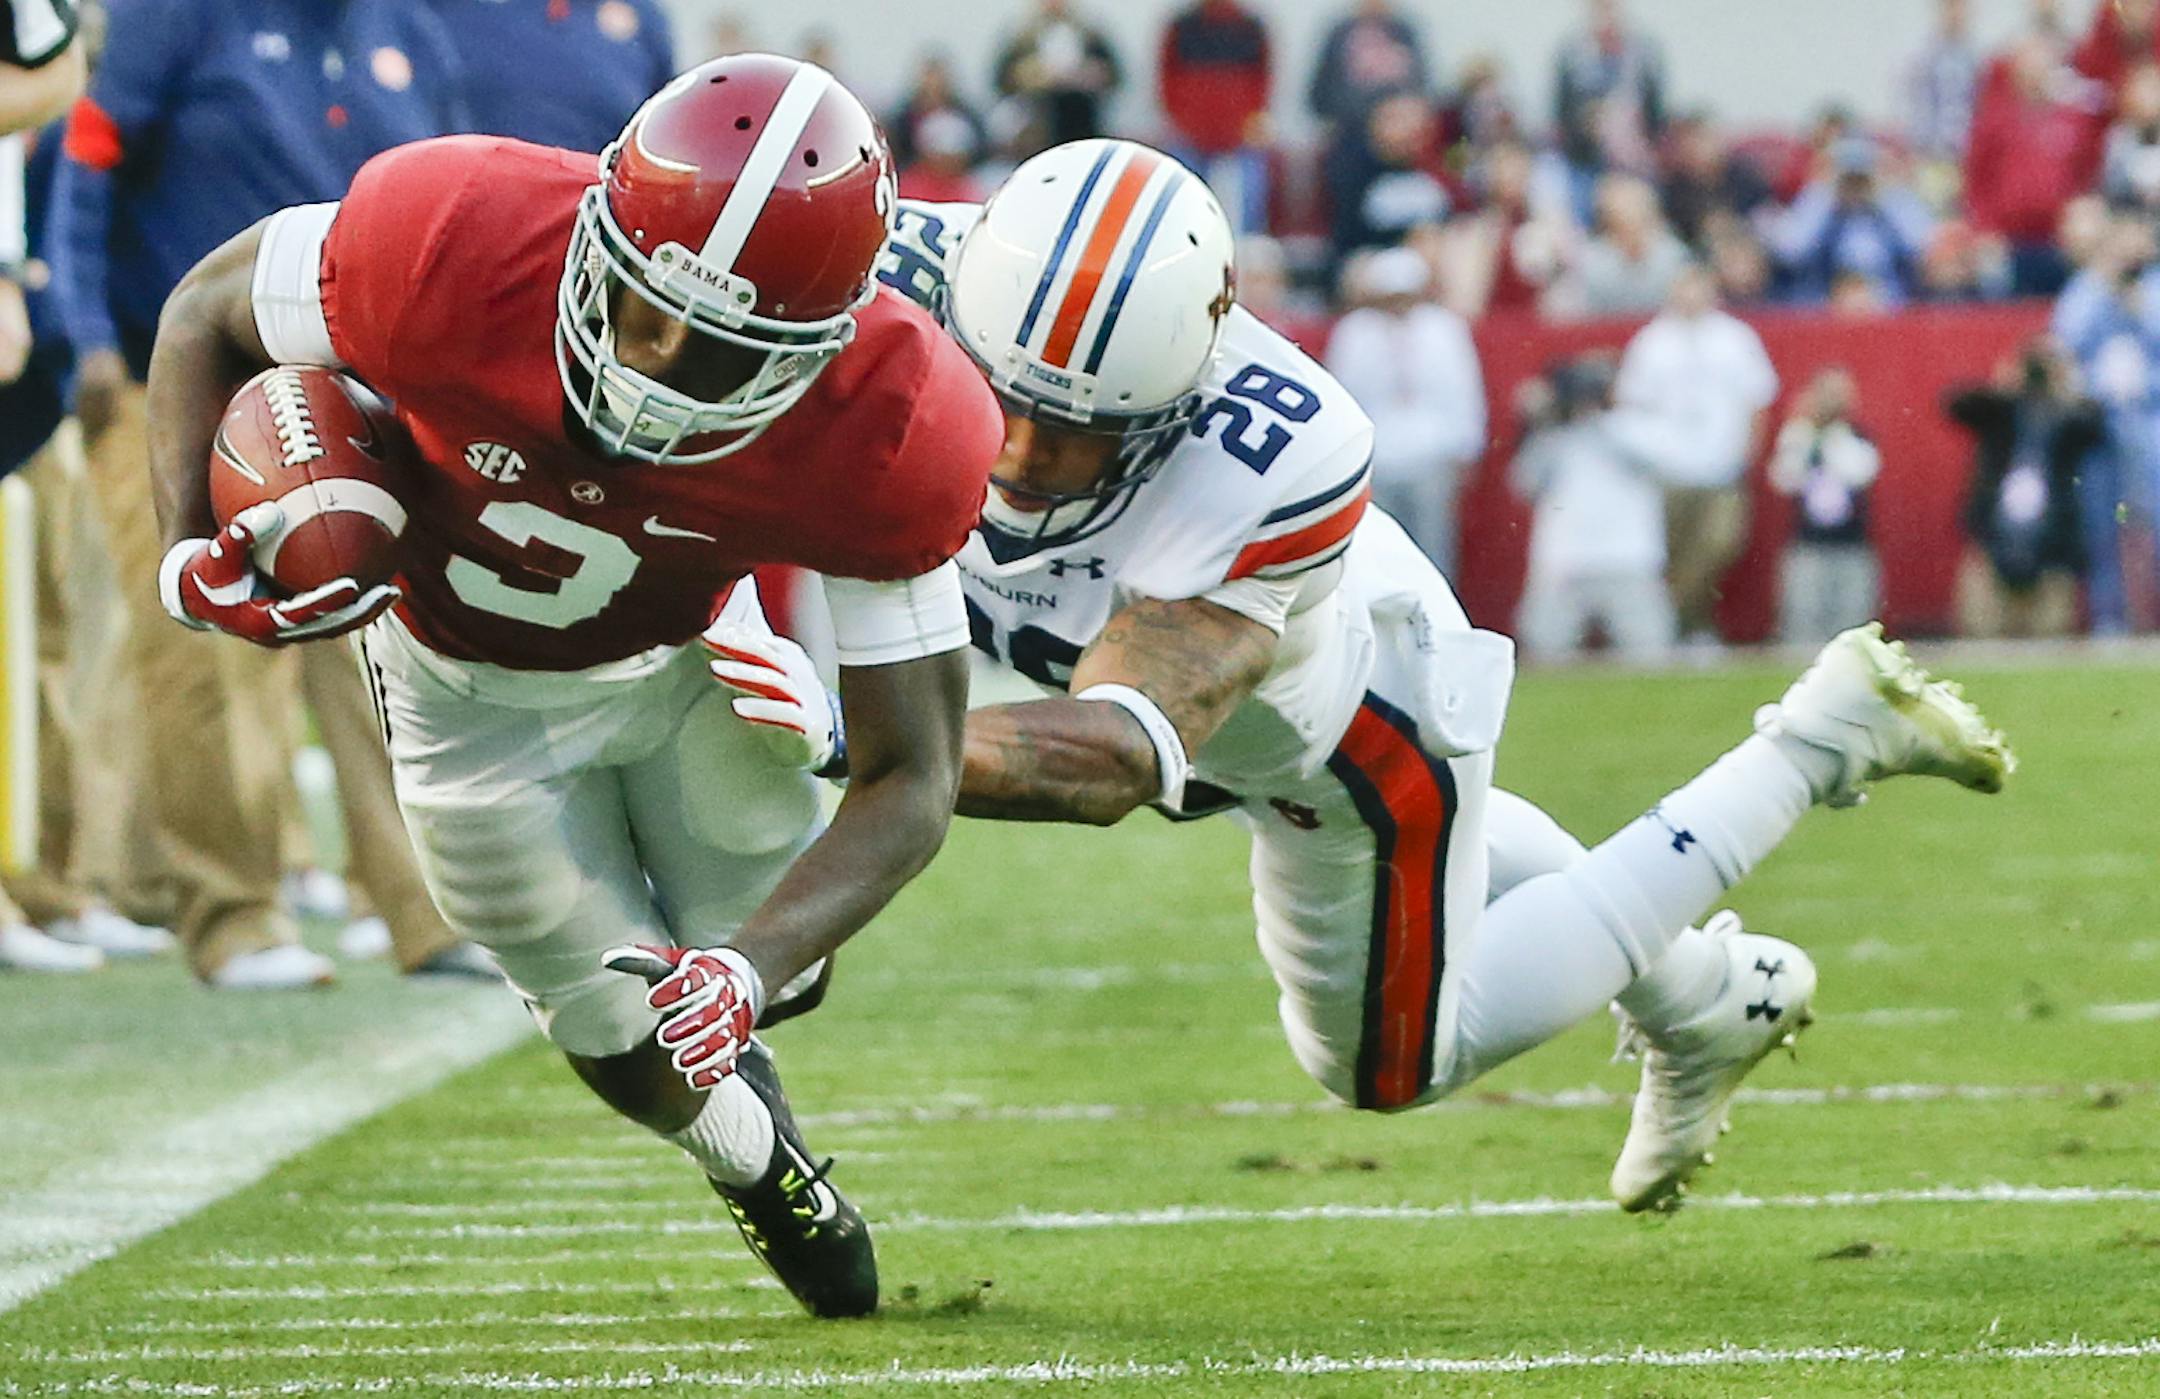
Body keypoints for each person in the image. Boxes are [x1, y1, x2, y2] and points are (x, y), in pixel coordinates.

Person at [710, 138, 2015, 1219]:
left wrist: (845, 732)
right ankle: (1697, 1000)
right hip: (1154, 667)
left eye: (1081, 432)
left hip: (1342, 731)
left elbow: (1115, 747)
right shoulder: (914, 263)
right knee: (1477, 845)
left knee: (1390, 1060)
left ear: (1177, 394)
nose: (1023, 454)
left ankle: (1812, 745)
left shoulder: (1276, 454)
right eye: (1005, 401)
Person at [144, 54, 1001, 1316]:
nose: (654, 363)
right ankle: (765, 1169)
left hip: (694, 669)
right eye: (644, 306)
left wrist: (749, 971)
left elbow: (915, 778)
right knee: (624, 1041)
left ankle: (744, 1006)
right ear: (594, 230)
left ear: (820, 347)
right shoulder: (452, 234)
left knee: (783, 972)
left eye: (721, 351)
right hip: (459, 692)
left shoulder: (897, 422)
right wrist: (185, 549)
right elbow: (203, 314)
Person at [48, 0, 476, 988]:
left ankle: (422, 907)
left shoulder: (405, 29)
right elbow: (83, 162)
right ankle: (234, 914)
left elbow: (448, 202)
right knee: (192, 638)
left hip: (345, 388)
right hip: (176, 379)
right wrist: (87, 333)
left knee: (380, 640)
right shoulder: (177, 19)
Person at [1615, 264, 1779, 648]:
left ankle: (1679, 622)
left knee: (1719, 545)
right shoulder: (1651, 342)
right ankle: (1683, 631)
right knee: (1668, 553)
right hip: (1667, 470)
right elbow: (1631, 406)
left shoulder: (1736, 339)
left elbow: (1757, 400)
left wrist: (1747, 455)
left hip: (1721, 469)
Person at [1323, 245, 1485, 572]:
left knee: (1433, 551)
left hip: (1432, 455)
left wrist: (1467, 448)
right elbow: (1340, 396)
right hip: (1376, 459)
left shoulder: (1443, 328)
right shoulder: (1355, 332)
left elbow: (1464, 390)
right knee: (1375, 554)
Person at [1511, 353, 1677, 663]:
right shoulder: (1556, 435)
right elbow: (1525, 483)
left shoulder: (1637, 425)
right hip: (1565, 561)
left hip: (1628, 559)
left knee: (1650, 657)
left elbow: (1658, 460)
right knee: (1544, 656)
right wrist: (1539, 424)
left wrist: (1599, 418)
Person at [1944, 342, 2104, 638]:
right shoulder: (2000, 410)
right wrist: (2004, 385)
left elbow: (2095, 426)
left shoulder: (2067, 416)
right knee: (1983, 635)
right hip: (1994, 535)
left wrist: (2065, 387)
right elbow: (1955, 405)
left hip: (2053, 540)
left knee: (2049, 636)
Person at [432, 0, 673, 153]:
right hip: (478, 208)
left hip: (596, 214)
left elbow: (661, 133)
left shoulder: (640, 15)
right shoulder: (433, 12)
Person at [1769, 368, 1881, 646]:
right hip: (1808, 544)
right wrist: (1806, 433)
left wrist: (1830, 433)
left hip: (1852, 545)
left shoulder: (1857, 436)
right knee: (1802, 620)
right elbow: (1784, 479)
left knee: (1852, 626)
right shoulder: (1798, 436)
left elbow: (1860, 472)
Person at [993, 0, 1121, 149]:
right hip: (1037, 122)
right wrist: (1029, 75)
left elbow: (1114, 75)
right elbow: (1001, 80)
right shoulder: (1021, 37)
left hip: (1083, 121)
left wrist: (1092, 74)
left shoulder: (1090, 34)